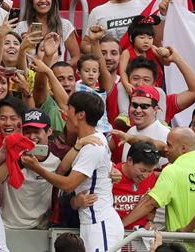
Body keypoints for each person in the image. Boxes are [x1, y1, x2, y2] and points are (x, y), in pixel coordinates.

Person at [23, 92, 123, 251]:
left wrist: (37, 169)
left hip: (100, 224)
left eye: (69, 108)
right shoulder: (87, 139)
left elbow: (68, 185)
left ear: (81, 115)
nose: (65, 113)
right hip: (91, 222)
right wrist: (78, 145)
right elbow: (61, 170)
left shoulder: (93, 147)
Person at [121, 128, 195, 232]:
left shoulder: (173, 171)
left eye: (169, 145)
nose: (165, 149)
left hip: (181, 243)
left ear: (183, 148)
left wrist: (121, 225)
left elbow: (150, 203)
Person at [0, 108, 62, 229]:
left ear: (49, 131)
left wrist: (80, 144)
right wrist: (15, 156)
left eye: (36, 131)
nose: (32, 136)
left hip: (39, 228)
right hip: (7, 226)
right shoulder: (13, 154)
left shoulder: (58, 158)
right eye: (27, 132)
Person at [13, 0, 80, 66]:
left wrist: (59, 68)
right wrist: (23, 46)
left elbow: (76, 57)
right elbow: (11, 57)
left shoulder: (64, 25)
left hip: (54, 76)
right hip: (29, 75)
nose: (42, 1)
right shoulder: (20, 27)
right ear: (31, 2)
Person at [110, 141, 160, 230]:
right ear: (129, 160)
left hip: (139, 235)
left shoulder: (151, 177)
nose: (145, 176)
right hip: (114, 233)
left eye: (150, 171)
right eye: (142, 170)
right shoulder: (112, 174)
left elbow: (152, 207)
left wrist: (150, 221)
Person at [121, 85, 170, 167]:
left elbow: (166, 172)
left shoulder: (165, 134)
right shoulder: (131, 131)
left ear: (155, 110)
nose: (138, 110)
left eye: (144, 106)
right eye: (134, 105)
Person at [81, 0, 151, 51]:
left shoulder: (147, 4)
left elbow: (156, 38)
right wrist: (104, 51)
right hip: (110, 68)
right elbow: (85, 45)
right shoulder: (97, 12)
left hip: (142, 64)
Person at [119, 15, 163, 90]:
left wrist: (165, 52)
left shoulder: (153, 48)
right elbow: (122, 72)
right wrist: (126, 84)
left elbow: (165, 61)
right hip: (133, 88)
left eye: (150, 38)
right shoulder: (127, 53)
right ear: (131, 38)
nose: (146, 41)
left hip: (155, 88)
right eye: (142, 37)